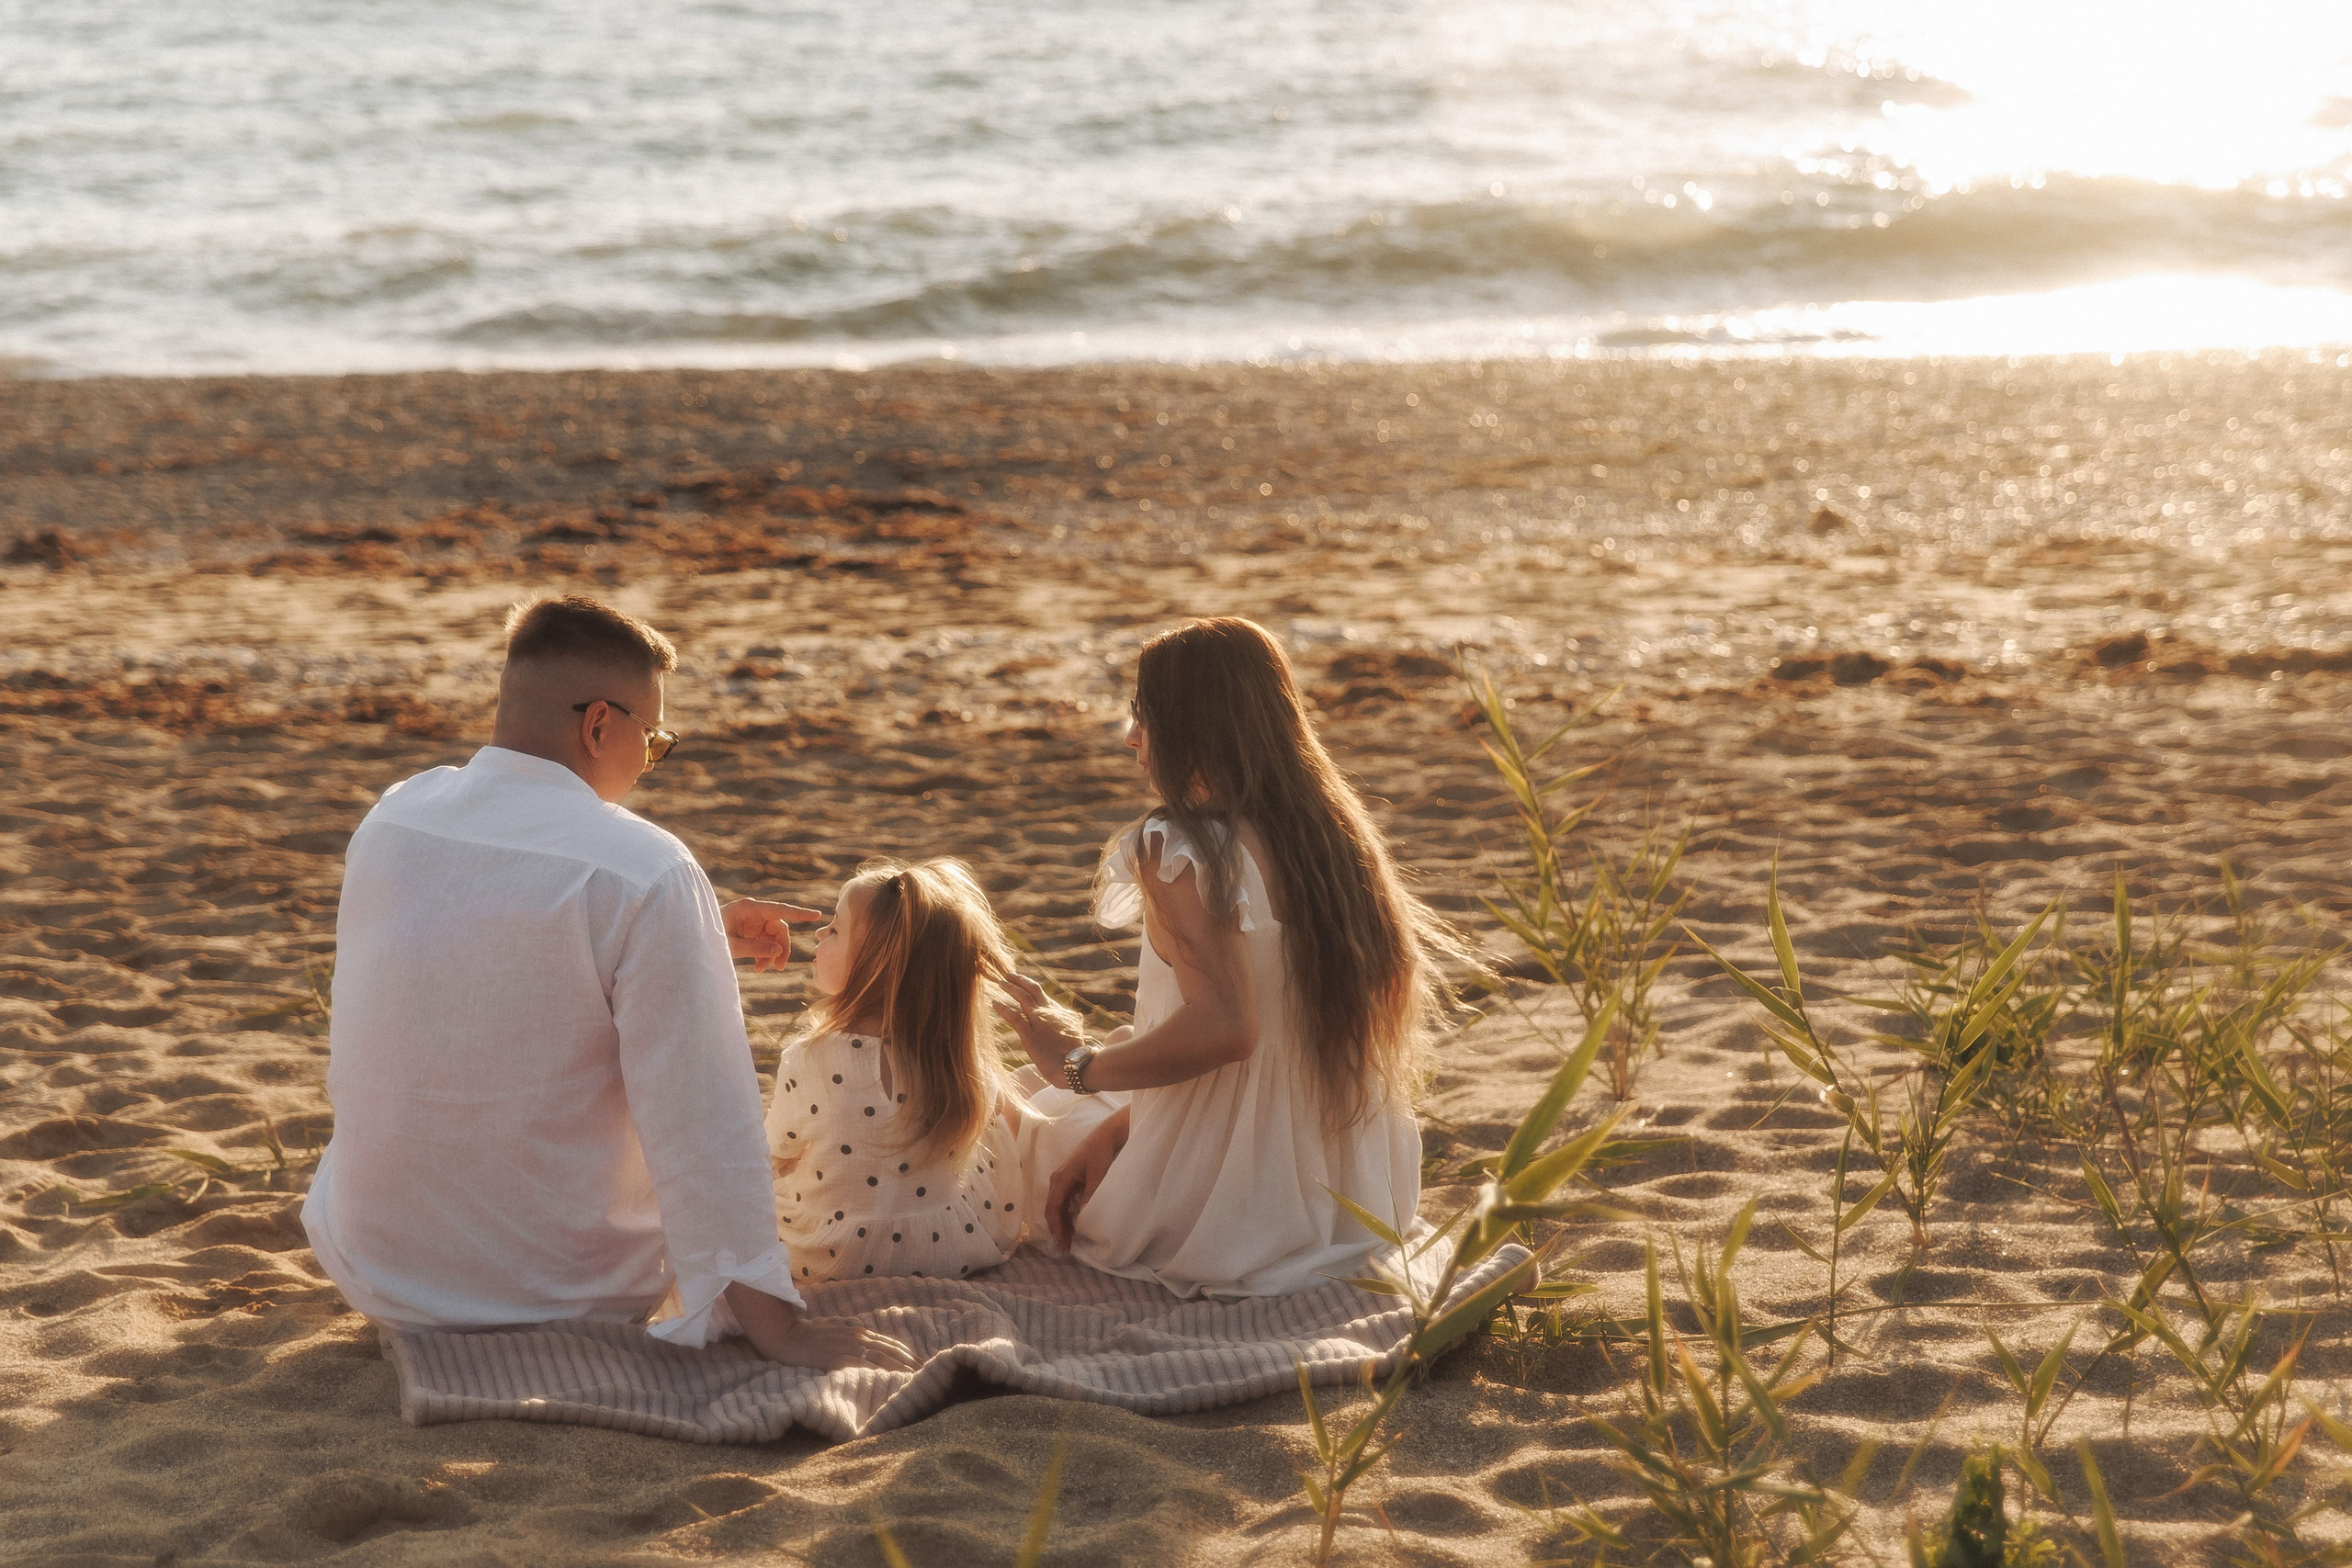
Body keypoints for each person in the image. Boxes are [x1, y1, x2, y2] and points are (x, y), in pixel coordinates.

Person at [302, 595, 913, 1371]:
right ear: (599, 726)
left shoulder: (395, 816)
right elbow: (700, 1122)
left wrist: (691, 935)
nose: (650, 762)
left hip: (377, 1272)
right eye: (653, 740)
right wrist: (779, 1326)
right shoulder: (644, 868)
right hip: (557, 1295)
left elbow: (487, 958)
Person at [996, 616, 1464, 1299]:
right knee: (1068, 1113)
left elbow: (1228, 1029)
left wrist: (1077, 1067)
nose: (1132, 737)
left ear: (1194, 727)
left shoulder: (1180, 844)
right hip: (1352, 1203)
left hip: (1225, 1216)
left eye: (1145, 714)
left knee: (1011, 1105)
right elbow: (1273, 1043)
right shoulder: (1332, 839)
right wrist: (1125, 1124)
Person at [764, 859, 1028, 1285]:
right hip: (949, 1248)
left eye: (833, 929)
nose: (818, 935)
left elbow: (774, 1154)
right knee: (994, 1127)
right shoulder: (955, 1054)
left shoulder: (808, 1059)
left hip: (828, 1257)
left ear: (875, 964)